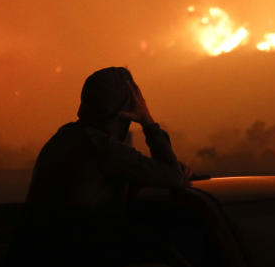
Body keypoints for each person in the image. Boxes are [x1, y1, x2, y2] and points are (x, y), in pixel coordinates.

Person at [25, 66, 191, 211]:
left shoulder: (66, 136)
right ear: (125, 111)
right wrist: (147, 121)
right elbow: (173, 177)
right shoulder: (101, 147)